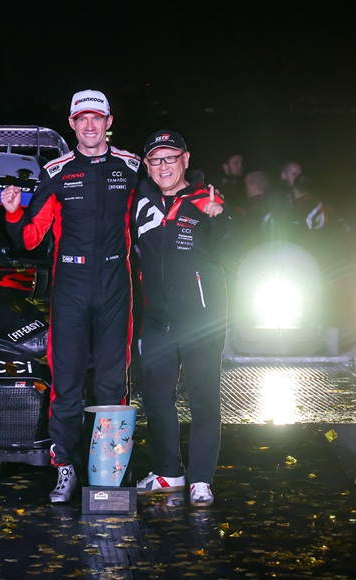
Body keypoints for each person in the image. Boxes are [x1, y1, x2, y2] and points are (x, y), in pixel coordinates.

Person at [1, 89, 139, 503]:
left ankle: (110, 474)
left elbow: (159, 210)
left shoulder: (131, 166)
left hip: (115, 282)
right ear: (72, 124)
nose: (90, 125)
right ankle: (65, 467)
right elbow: (30, 237)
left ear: (109, 122)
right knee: (67, 383)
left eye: (97, 118)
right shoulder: (57, 171)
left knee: (112, 383)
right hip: (71, 286)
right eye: (82, 119)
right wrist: (12, 212)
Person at [130, 130, 244, 507]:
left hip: (202, 318)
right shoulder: (139, 201)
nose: (163, 166)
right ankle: (169, 472)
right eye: (155, 160)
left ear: (185, 159)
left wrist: (220, 218)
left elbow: (234, 253)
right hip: (157, 318)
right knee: (156, 398)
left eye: (170, 158)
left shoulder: (206, 199)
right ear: (147, 165)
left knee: (203, 398)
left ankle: (200, 479)